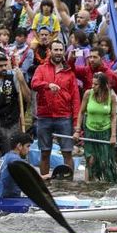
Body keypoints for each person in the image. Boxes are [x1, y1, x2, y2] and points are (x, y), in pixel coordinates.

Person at [31, 40, 79, 177]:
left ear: (64, 52)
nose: (58, 53)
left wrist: (76, 124)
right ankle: (44, 183)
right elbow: (34, 84)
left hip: (64, 117)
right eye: (55, 50)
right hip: (44, 116)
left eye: (60, 50)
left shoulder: (69, 73)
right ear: (50, 51)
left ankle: (69, 183)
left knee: (67, 152)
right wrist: (47, 85)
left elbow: (76, 99)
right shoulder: (41, 69)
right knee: (44, 152)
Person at [73, 72, 117, 183]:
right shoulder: (88, 94)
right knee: (90, 160)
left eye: (96, 84)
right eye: (92, 83)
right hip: (90, 131)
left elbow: (113, 117)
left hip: (105, 132)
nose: (93, 86)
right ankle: (88, 185)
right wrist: (78, 130)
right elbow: (81, 112)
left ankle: (108, 185)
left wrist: (113, 135)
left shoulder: (111, 97)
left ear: (103, 85)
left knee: (104, 162)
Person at [0, 132, 47, 198]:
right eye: (28, 146)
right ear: (19, 146)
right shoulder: (15, 159)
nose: (29, 150)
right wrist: (48, 176)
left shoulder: (4, 157)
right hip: (6, 200)